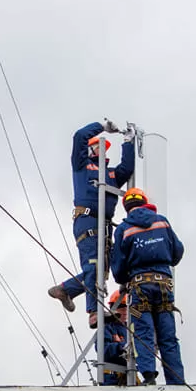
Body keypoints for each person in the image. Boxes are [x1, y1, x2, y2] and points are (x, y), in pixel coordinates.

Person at [48, 119, 135, 328]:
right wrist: (102, 127)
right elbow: (79, 136)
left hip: (103, 225)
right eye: (96, 146)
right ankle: (94, 312)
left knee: (102, 267)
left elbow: (127, 167)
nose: (99, 150)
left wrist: (128, 142)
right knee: (94, 266)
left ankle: (65, 289)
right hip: (86, 220)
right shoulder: (81, 167)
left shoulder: (112, 175)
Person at [110, 187, 185, 385]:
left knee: (142, 332)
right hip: (163, 284)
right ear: (144, 202)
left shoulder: (124, 229)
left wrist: (126, 277)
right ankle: (177, 382)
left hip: (140, 285)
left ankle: (149, 377)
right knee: (167, 335)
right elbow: (177, 251)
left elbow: (117, 267)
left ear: (126, 208)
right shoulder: (161, 221)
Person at [100, 289, 130, 386]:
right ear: (113, 308)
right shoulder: (107, 327)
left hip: (128, 376)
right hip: (110, 377)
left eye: (127, 308)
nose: (125, 311)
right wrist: (121, 347)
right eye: (121, 308)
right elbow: (102, 350)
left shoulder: (130, 329)